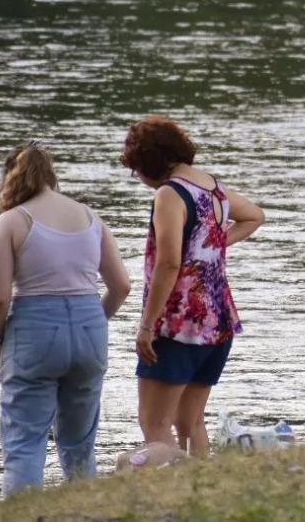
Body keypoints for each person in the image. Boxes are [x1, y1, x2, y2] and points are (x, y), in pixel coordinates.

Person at [0, 141, 131, 497]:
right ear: (52, 177)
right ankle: (88, 511)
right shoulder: (91, 217)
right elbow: (122, 285)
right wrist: (94, 322)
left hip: (34, 329)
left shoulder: (11, 222)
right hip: (88, 326)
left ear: (10, 179)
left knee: (25, 439)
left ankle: (22, 515)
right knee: (80, 440)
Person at [121, 116, 266, 459]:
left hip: (180, 325)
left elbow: (169, 263)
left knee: (155, 422)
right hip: (219, 321)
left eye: (136, 169)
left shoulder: (171, 194)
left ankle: (167, 498)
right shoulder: (213, 188)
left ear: (149, 162)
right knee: (191, 421)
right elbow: (255, 216)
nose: (138, 177)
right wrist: (212, 245)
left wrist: (146, 325)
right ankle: (200, 488)